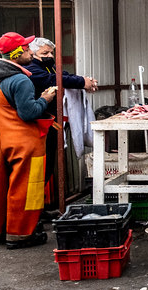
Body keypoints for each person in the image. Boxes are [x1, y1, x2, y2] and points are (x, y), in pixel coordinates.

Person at [0, 32, 57, 249]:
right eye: (27, 49)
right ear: (17, 53)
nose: (31, 52)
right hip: (25, 142)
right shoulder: (21, 79)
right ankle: (21, 234)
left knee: (2, 184)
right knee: (27, 188)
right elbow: (29, 113)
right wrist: (45, 99)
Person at [25, 37, 98, 210]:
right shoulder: (32, 70)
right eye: (45, 53)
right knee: (38, 171)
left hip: (51, 125)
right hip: (38, 127)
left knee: (48, 168)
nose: (49, 55)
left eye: (51, 52)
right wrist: (82, 82)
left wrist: (84, 79)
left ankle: (37, 210)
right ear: (32, 54)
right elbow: (53, 80)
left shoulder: (49, 66)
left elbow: (63, 76)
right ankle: (31, 212)